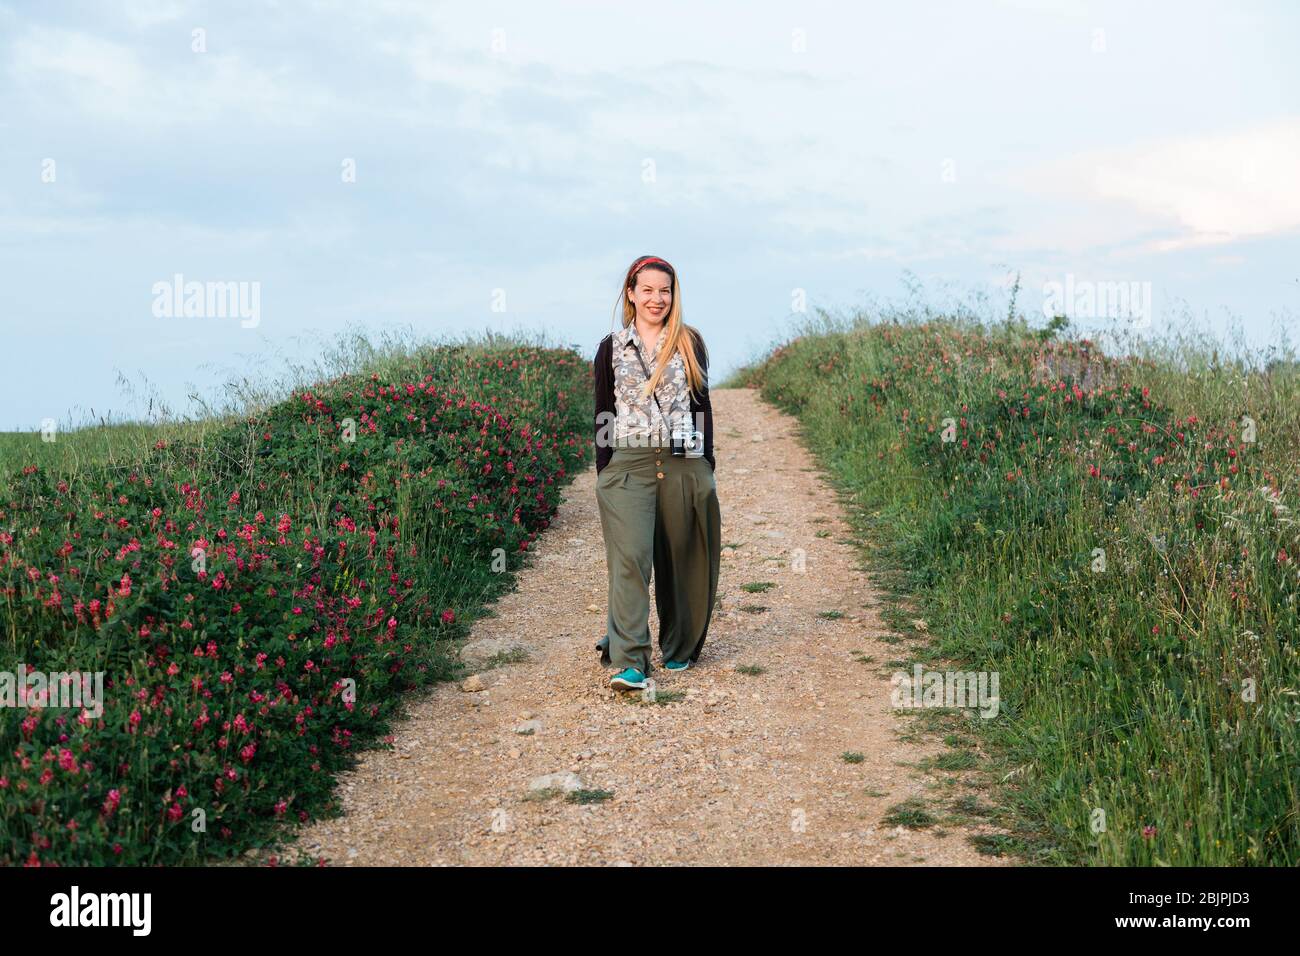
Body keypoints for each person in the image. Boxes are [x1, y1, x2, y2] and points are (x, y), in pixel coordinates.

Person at [592, 255, 721, 692]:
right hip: (628, 463)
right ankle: (631, 660)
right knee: (630, 558)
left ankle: (679, 646)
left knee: (681, 556)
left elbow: (701, 406)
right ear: (631, 293)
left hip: (684, 461)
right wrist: (605, 472)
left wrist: (707, 466)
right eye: (647, 289)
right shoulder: (611, 347)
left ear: (673, 294)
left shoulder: (689, 342)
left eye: (664, 290)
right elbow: (603, 413)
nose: (656, 298)